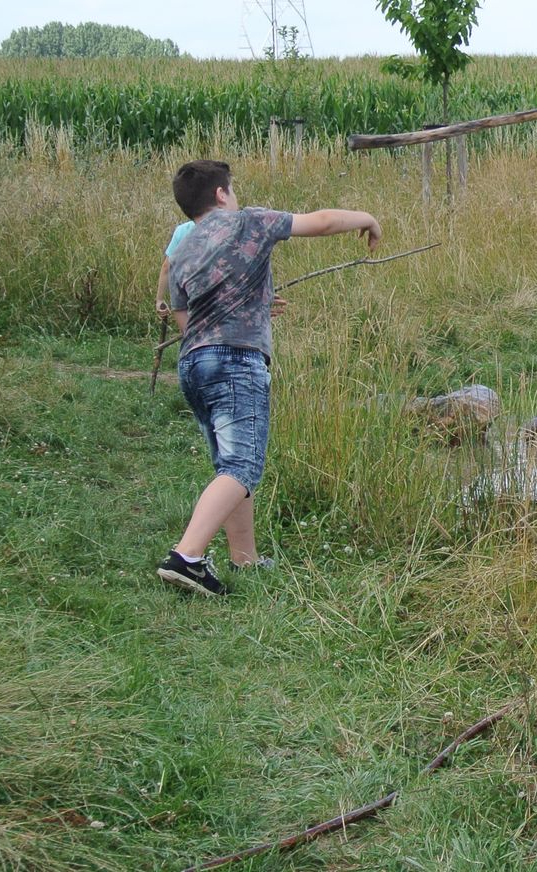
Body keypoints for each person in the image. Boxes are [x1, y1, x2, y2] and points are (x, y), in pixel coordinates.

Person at [155, 159, 382, 596]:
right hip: (236, 362)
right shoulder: (249, 222)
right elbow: (322, 222)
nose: (235, 195)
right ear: (221, 194)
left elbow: (186, 315)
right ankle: (186, 557)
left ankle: (245, 558)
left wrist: (248, 307)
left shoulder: (183, 250)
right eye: (231, 189)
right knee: (243, 465)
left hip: (194, 363)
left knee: (231, 465)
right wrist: (368, 218)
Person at [155, 218, 195, 326]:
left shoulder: (183, 230)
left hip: (187, 292)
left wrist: (159, 299)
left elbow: (167, 266)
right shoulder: (227, 226)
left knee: (190, 332)